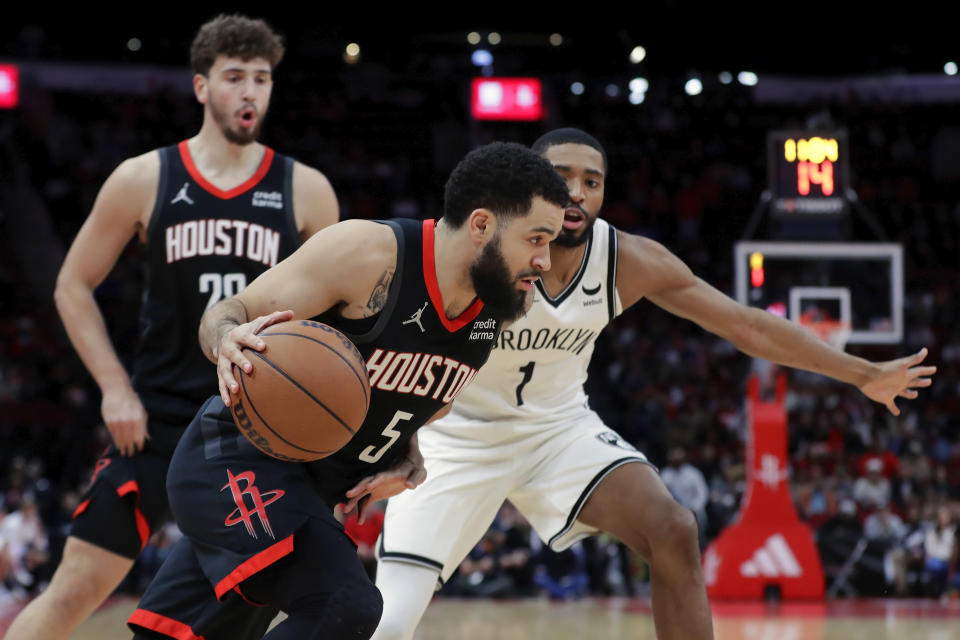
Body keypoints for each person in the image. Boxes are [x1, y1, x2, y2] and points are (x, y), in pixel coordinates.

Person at [371, 128, 937, 640]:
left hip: (557, 432)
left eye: (591, 181)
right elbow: (401, 342)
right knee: (390, 622)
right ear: (530, 185)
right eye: (561, 177)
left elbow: (744, 324)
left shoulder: (627, 259)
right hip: (457, 438)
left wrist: (863, 373)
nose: (577, 192)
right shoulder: (479, 252)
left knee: (672, 527)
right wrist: (402, 436)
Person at [127, 142, 568, 640]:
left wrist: (408, 448)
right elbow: (232, 309)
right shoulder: (369, 255)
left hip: (308, 496)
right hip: (236, 461)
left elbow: (427, 396)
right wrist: (226, 339)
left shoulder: (498, 307)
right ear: (483, 225)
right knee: (347, 605)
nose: (545, 260)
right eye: (536, 238)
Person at [4, 14, 338, 640]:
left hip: (257, 431)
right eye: (234, 76)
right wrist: (113, 388)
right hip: (156, 423)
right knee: (73, 589)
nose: (250, 92)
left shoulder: (308, 191)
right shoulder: (145, 178)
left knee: (249, 613)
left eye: (261, 78)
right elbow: (71, 285)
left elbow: (340, 314)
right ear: (201, 87)